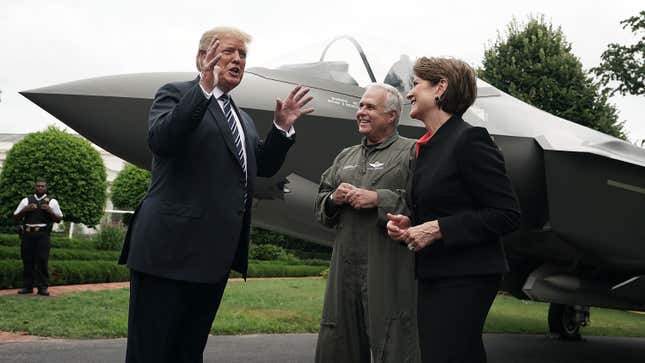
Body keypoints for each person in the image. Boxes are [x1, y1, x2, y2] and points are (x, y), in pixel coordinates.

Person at [118, 27, 313, 363]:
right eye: (229, 52)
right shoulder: (175, 94)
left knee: (188, 351)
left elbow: (260, 167)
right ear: (203, 57)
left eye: (243, 55)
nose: (238, 60)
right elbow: (163, 140)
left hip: (212, 258)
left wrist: (281, 129)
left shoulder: (243, 119)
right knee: (151, 351)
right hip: (168, 252)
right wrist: (204, 88)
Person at [387, 57, 521, 363]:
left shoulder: (469, 139)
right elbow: (443, 206)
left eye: (417, 84)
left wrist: (436, 229)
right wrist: (411, 223)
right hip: (436, 273)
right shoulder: (428, 145)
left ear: (440, 88)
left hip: (467, 275)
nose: (409, 93)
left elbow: (507, 213)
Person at [315, 83, 421, 363]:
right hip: (344, 267)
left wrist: (379, 199)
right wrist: (334, 199)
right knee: (338, 341)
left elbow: (424, 204)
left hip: (388, 265)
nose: (361, 112)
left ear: (392, 115)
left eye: (370, 107)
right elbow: (321, 207)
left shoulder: (411, 153)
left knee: (393, 340)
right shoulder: (345, 157)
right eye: (361, 106)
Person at [13, 179, 63, 296]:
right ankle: (27, 286)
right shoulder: (26, 200)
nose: (40, 188)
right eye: (38, 186)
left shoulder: (52, 201)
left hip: (42, 235)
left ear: (46, 188)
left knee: (42, 260)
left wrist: (50, 211)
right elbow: (15, 217)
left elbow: (59, 219)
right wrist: (26, 209)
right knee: (27, 260)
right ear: (35, 187)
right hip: (28, 234)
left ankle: (42, 288)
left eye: (42, 186)